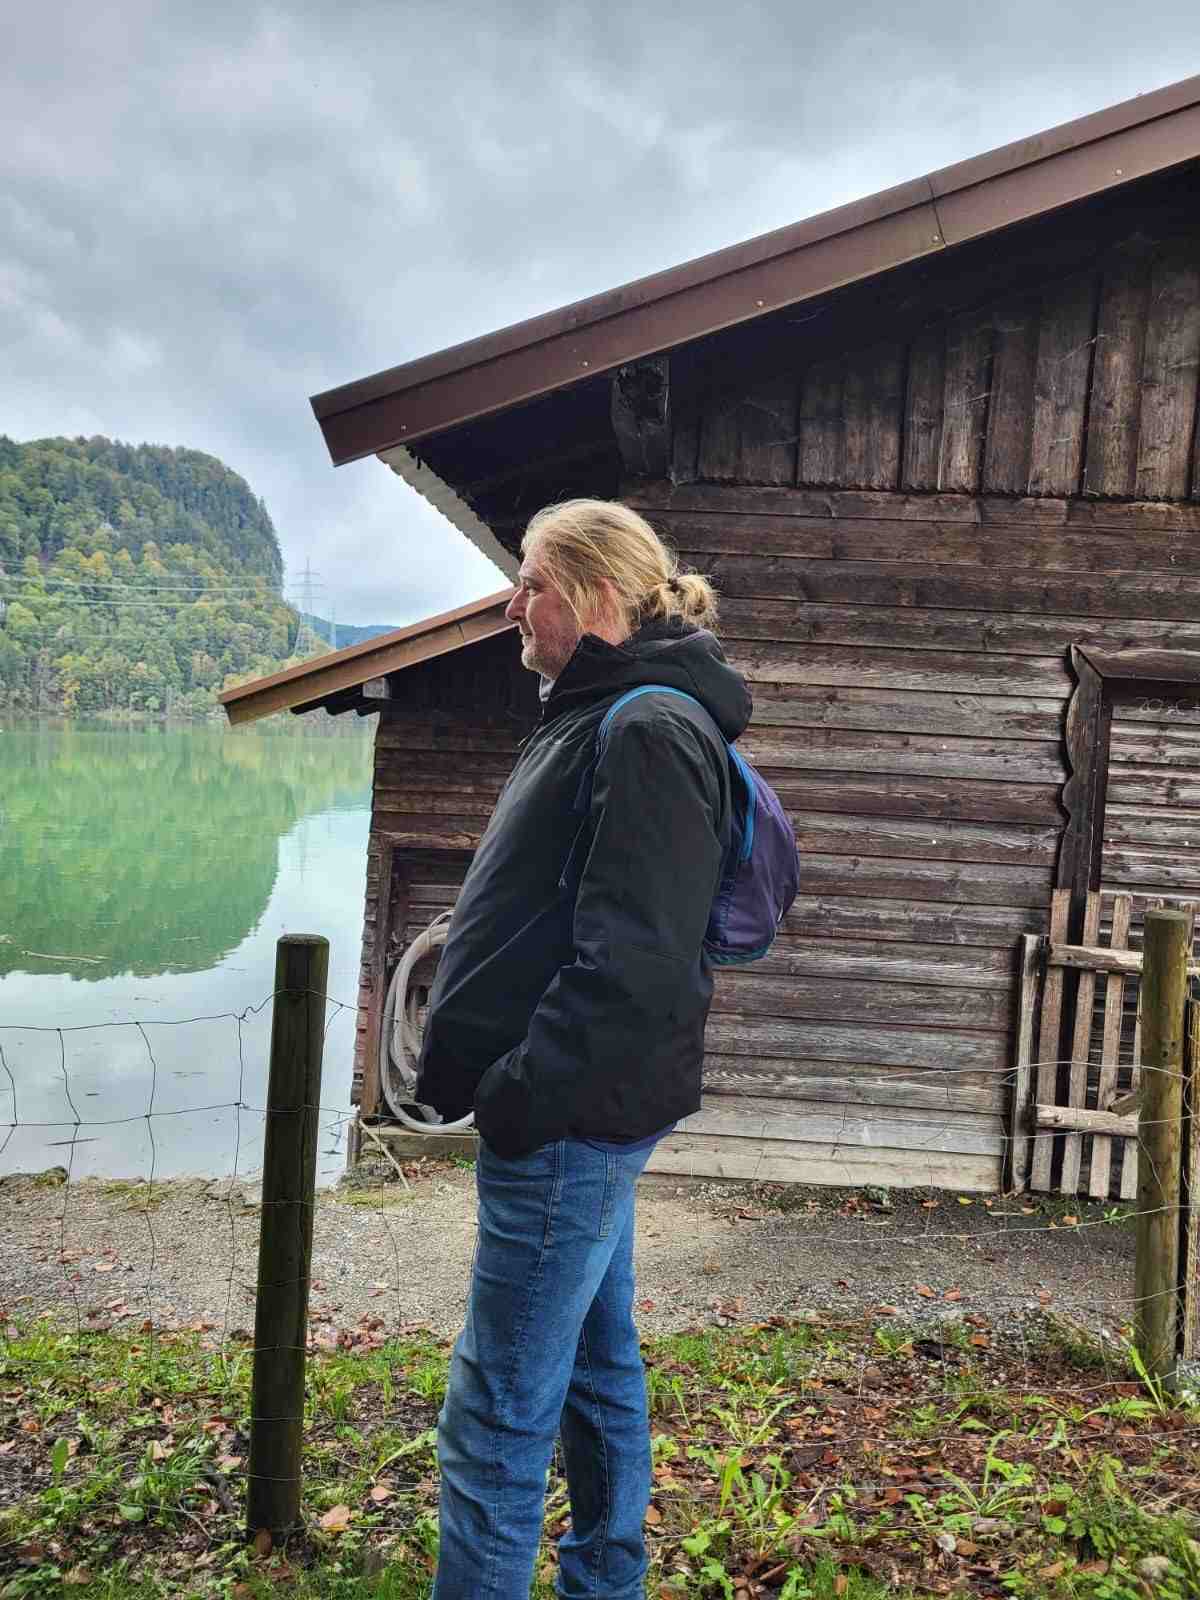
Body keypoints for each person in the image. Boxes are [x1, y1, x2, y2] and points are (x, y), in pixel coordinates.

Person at [416, 497, 752, 1599]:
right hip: (585, 1117)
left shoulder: (645, 729)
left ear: (599, 595)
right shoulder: (596, 708)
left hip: (566, 1125)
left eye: (534, 582)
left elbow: (636, 965)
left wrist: (520, 1093)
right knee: (595, 1372)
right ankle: (605, 1582)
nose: (514, 602)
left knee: (495, 1417)